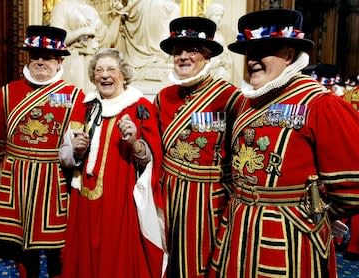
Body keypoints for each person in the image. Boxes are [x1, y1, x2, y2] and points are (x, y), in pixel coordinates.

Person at [208, 9, 359, 277]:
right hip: (238, 227)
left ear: (289, 54)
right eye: (248, 52)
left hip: (289, 236)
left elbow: (352, 187)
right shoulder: (246, 100)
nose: (252, 60)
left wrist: (311, 214)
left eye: (263, 50)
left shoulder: (321, 104)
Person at [0, 25, 85, 277]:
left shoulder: (75, 96)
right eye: (35, 55)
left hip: (54, 178)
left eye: (47, 57)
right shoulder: (6, 93)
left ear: (59, 60)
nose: (40, 61)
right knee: (17, 245)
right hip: (14, 176)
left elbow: (75, 145)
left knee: (55, 247)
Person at [59, 48, 166, 278]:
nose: (104, 75)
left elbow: (151, 158)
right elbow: (65, 156)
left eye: (110, 69)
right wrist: (77, 151)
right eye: (99, 70)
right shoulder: (85, 106)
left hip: (121, 201)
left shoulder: (140, 108)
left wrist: (135, 140)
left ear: (124, 75)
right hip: (84, 200)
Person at [154, 17, 242, 277]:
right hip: (169, 193)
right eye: (177, 51)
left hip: (208, 199)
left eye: (191, 50)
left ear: (207, 56)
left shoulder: (230, 97)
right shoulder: (163, 96)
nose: (182, 56)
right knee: (168, 261)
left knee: (202, 264)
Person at [49, 0, 107, 93]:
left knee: (92, 99)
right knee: (70, 99)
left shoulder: (92, 8)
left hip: (92, 62)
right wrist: (83, 31)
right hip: (72, 61)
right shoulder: (62, 6)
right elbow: (57, 40)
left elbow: (103, 39)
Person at [205, 3, 233, 82]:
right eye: (217, 15)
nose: (219, 18)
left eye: (221, 16)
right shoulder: (205, 35)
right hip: (210, 70)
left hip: (220, 70)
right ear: (210, 16)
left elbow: (226, 56)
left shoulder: (220, 35)